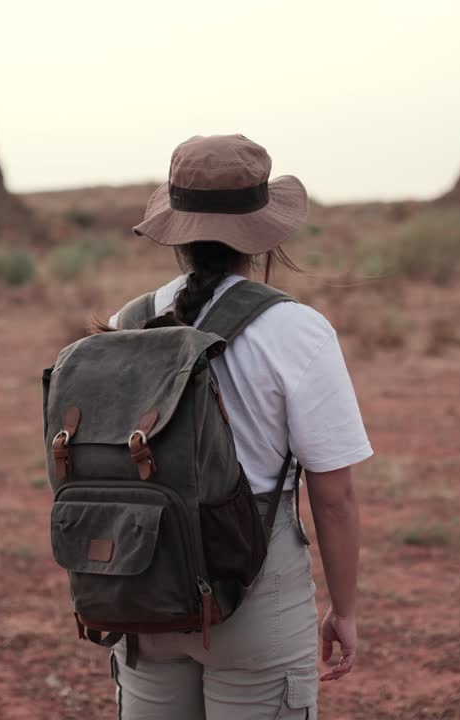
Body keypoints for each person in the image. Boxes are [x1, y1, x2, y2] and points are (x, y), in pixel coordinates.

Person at [105, 134, 372, 719]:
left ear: (177, 229)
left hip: (144, 586)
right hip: (255, 592)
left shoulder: (126, 322)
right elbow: (334, 498)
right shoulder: (297, 331)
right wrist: (344, 611)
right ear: (263, 231)